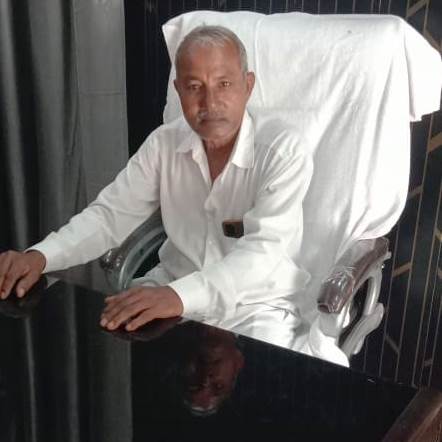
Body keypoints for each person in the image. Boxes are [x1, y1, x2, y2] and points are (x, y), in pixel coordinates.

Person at [0, 26, 313, 349]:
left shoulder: (282, 151)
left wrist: (178, 296)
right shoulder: (163, 144)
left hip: (256, 305)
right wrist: (41, 256)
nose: (210, 102)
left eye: (224, 84)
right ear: (178, 90)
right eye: (195, 87)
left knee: (266, 371)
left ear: (248, 86)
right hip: (170, 289)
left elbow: (265, 254)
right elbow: (109, 216)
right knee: (103, 341)